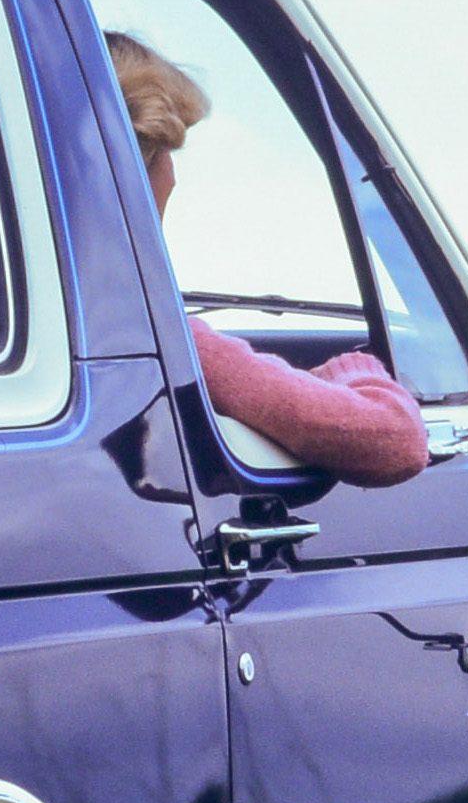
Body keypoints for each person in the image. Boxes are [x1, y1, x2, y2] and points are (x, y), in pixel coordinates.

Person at [104, 31, 427, 486]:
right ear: (135, 172)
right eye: (166, 153)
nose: (173, 179)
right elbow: (394, 440)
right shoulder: (141, 329)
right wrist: (355, 369)